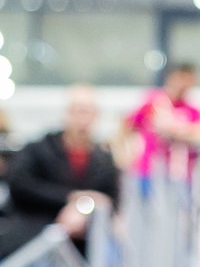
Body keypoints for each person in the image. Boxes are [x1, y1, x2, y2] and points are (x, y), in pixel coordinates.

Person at [8, 85, 120, 252]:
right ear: (67, 113)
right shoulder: (38, 149)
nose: (83, 119)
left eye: (88, 111)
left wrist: (82, 208)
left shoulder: (104, 160)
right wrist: (71, 198)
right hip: (36, 240)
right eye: (78, 111)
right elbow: (20, 186)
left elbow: (110, 199)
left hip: (84, 247)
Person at [127, 63, 200, 184]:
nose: (185, 85)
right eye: (182, 78)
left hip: (181, 174)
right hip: (149, 171)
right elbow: (128, 125)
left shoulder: (192, 110)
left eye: (189, 81)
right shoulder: (153, 102)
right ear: (171, 78)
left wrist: (174, 132)